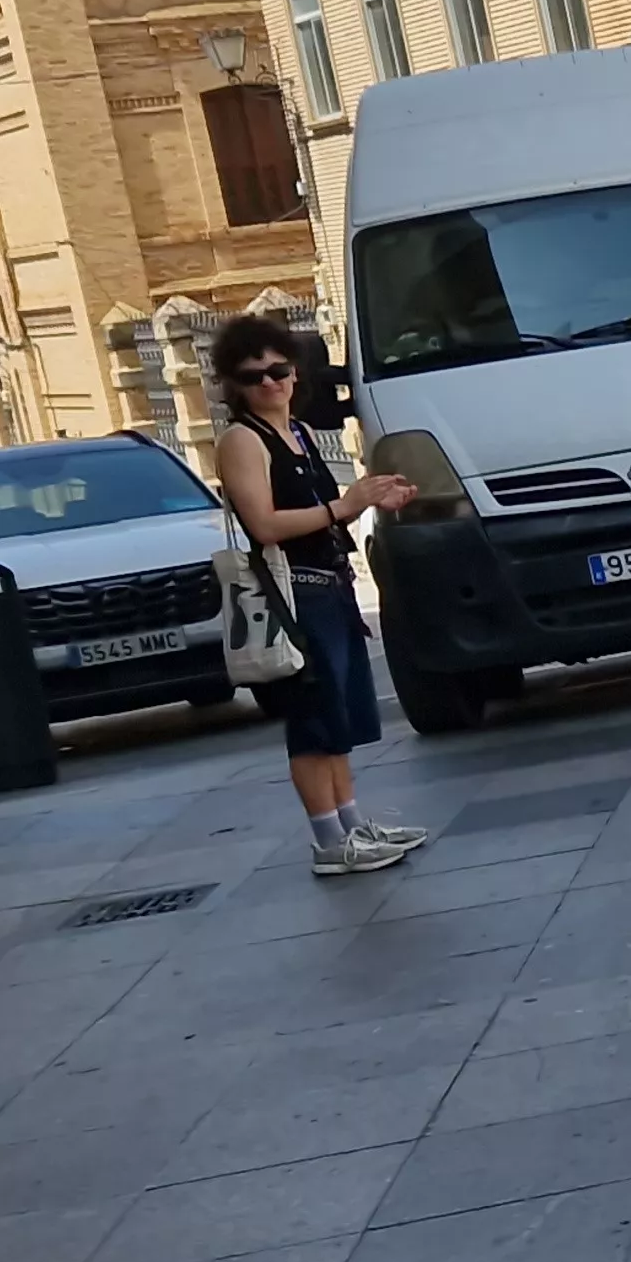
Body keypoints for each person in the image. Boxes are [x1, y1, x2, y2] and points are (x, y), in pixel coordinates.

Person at [209, 315, 429, 877]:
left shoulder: (300, 433)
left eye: (278, 370)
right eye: (252, 375)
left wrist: (374, 498)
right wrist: (343, 507)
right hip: (292, 596)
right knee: (310, 720)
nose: (269, 383)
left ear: (294, 370)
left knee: (337, 716)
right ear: (233, 384)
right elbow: (264, 523)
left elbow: (330, 509)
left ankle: (352, 826)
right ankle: (328, 840)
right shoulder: (243, 439)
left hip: (328, 585)